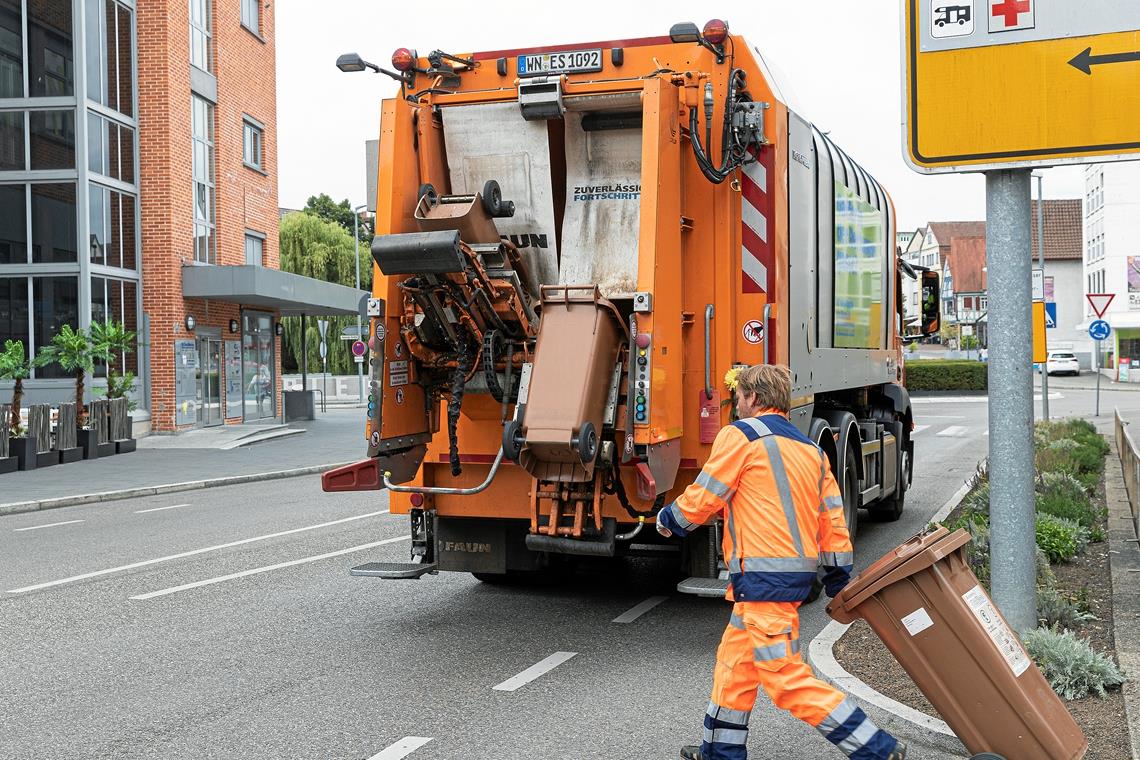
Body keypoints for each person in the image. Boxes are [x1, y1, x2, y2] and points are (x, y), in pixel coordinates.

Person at [657, 364, 906, 760]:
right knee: (735, 666)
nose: (735, 405)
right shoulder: (811, 450)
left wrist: (669, 520)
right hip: (783, 580)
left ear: (754, 398)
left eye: (738, 397)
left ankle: (876, 749)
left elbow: (706, 495)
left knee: (785, 679)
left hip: (762, 579)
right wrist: (838, 577)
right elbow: (832, 520)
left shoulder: (740, 436)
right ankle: (720, 752)